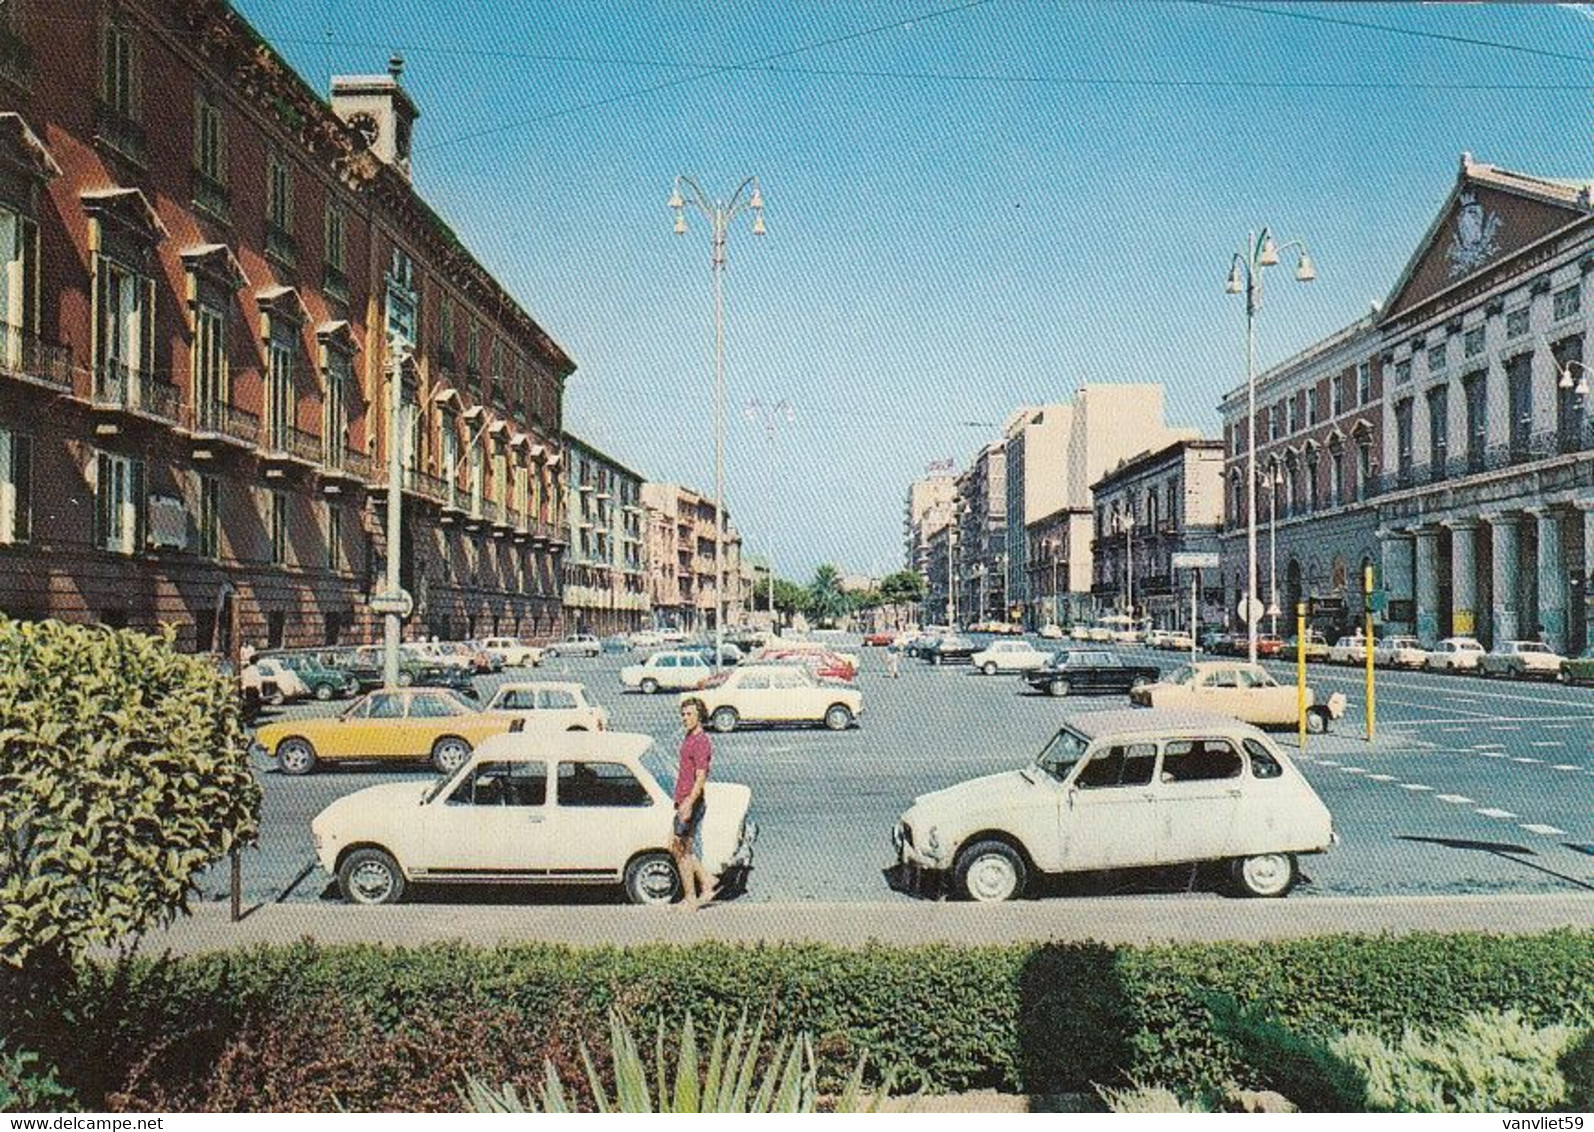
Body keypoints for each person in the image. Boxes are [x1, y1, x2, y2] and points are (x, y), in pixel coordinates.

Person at [671, 697, 715, 909]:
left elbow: (701, 777)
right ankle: (707, 881)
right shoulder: (690, 737)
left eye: (689, 714)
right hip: (682, 800)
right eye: (683, 714)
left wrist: (688, 803)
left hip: (691, 801)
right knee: (678, 846)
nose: (685, 718)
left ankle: (691, 899)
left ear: (700, 716)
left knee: (682, 852)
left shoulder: (701, 742)